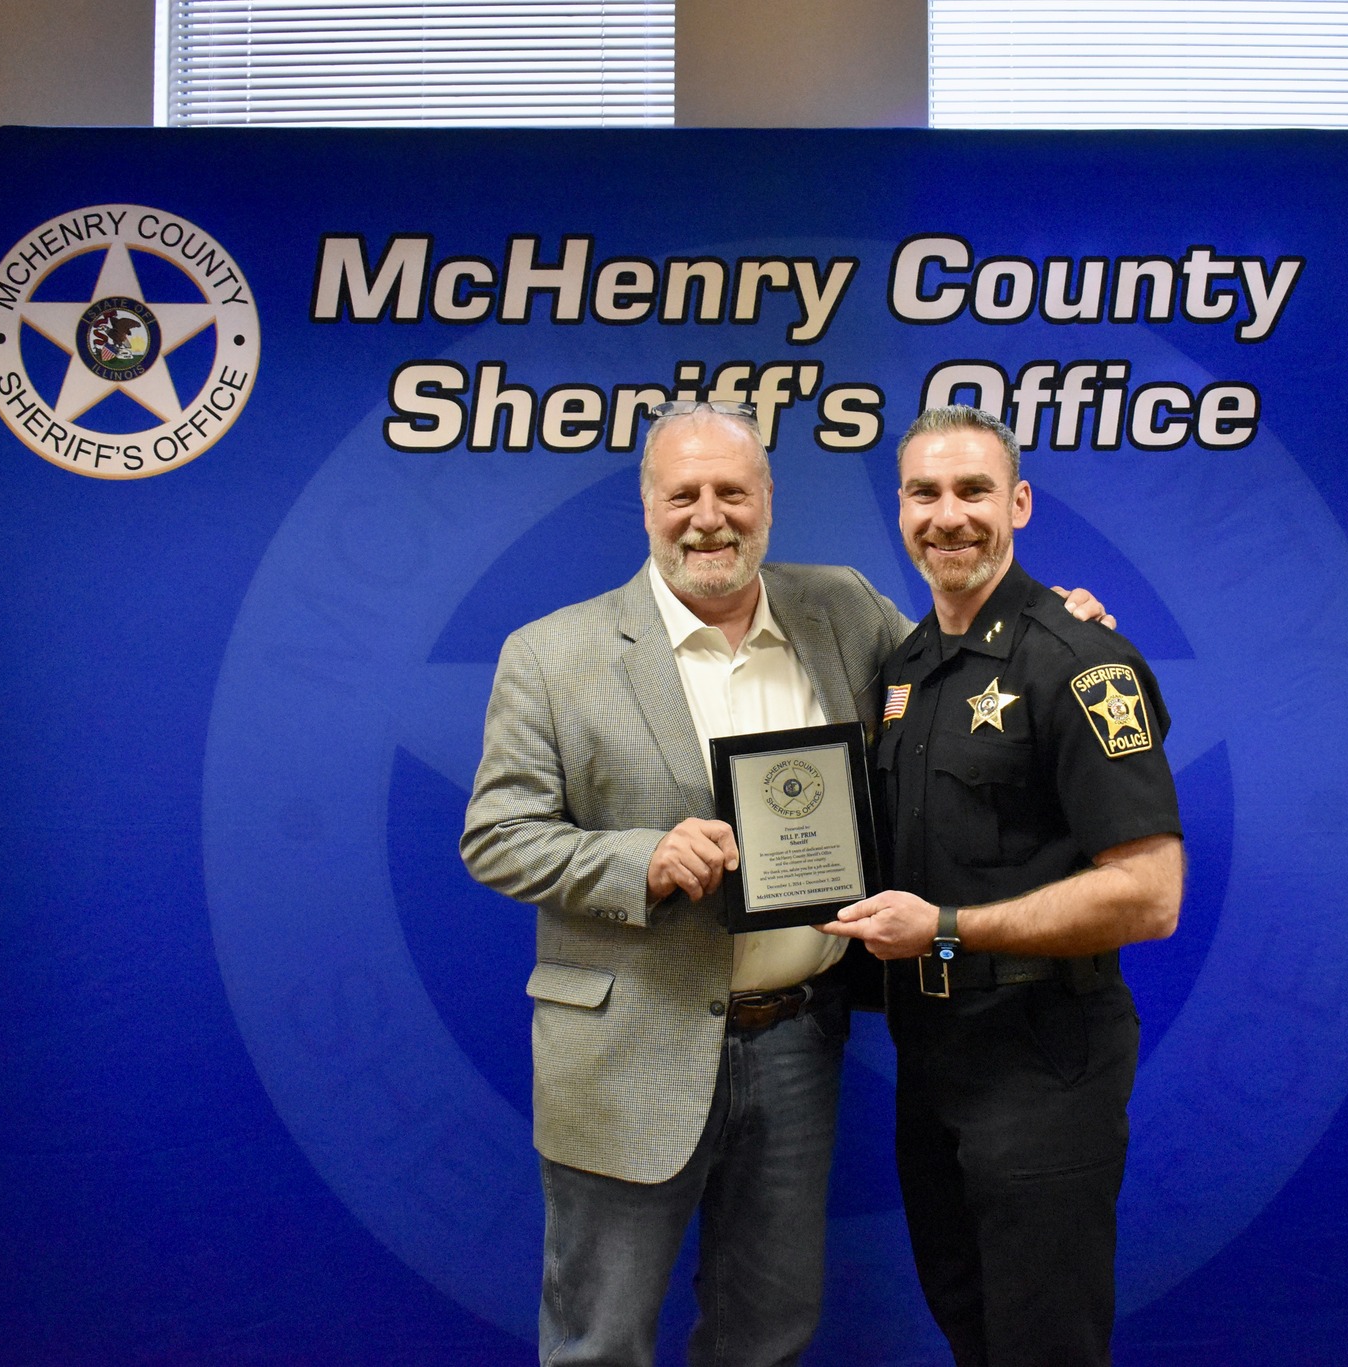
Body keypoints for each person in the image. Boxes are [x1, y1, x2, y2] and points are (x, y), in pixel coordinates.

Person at [459, 401, 1111, 1367]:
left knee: (766, 1337)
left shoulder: (842, 607)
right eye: (684, 494)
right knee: (599, 1343)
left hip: (797, 1039)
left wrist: (1054, 628)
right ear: (648, 506)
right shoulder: (552, 655)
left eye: (733, 491)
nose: (709, 516)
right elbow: (496, 835)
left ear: (769, 501)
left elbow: (958, 663)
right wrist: (636, 858)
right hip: (624, 1044)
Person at [823, 405, 1184, 1367]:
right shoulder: (907, 669)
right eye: (924, 493)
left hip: (1044, 1057)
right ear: (900, 512)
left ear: (1017, 502)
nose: (950, 516)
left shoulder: (1081, 661)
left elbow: (1151, 894)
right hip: (934, 1058)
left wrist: (945, 927)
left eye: (974, 490)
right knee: (970, 1326)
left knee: (1043, 1344)